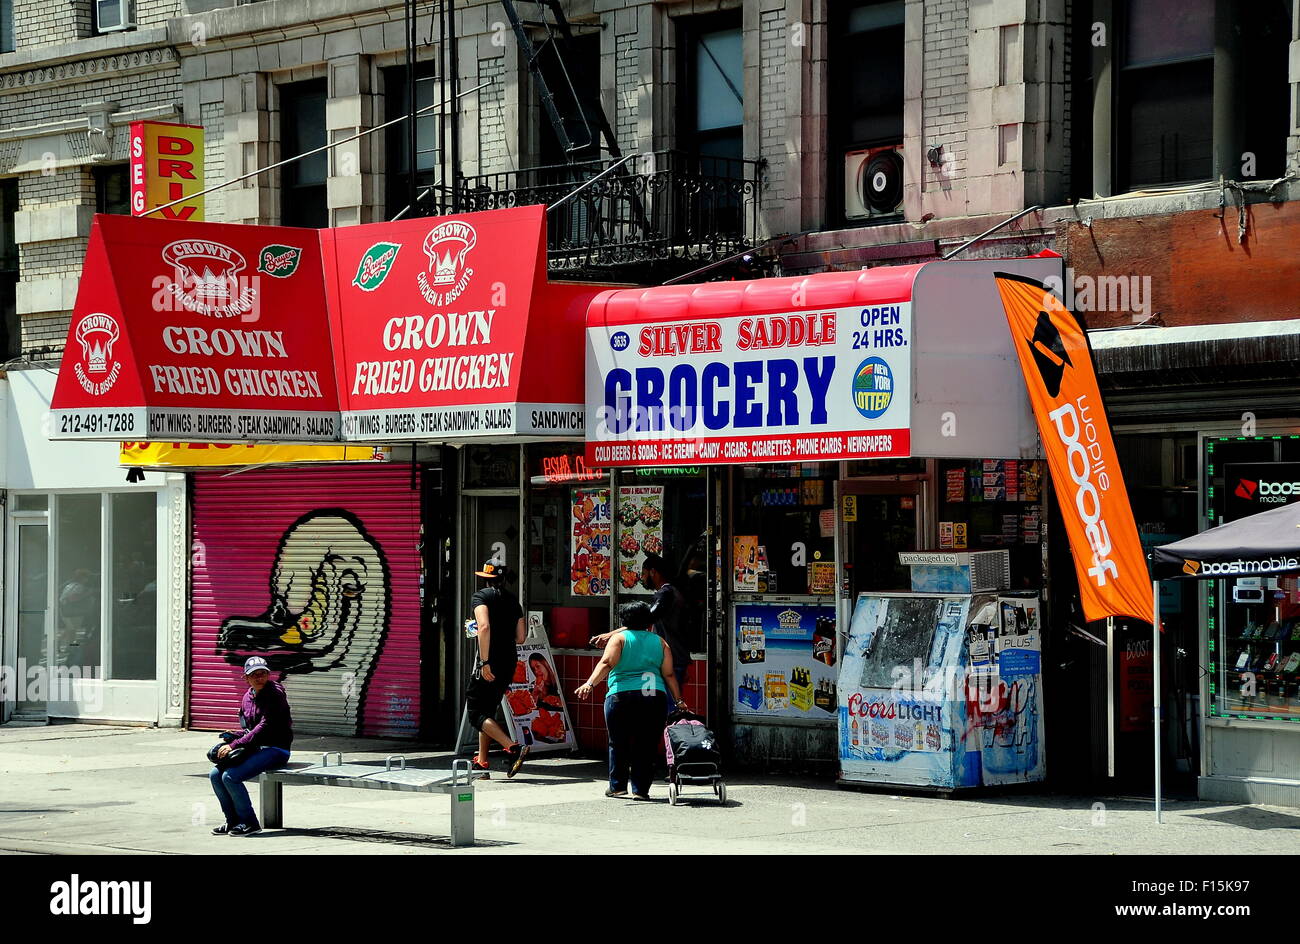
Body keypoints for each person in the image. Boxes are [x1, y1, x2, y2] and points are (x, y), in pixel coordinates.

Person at [576, 602, 687, 800]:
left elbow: (607, 663)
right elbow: (669, 674)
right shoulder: (660, 642)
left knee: (618, 742)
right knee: (647, 744)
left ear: (624, 621)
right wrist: (679, 701)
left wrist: (589, 684)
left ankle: (617, 786)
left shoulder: (619, 638)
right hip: (653, 698)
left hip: (621, 696)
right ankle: (641, 790)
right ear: (649, 621)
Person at [209, 656, 292, 837]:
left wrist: (235, 745)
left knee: (231, 777)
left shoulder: (275, 694)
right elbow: (250, 730)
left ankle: (249, 823)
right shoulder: (247, 697)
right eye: (253, 674)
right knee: (215, 775)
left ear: (268, 675)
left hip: (276, 749)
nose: (258, 677)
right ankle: (233, 821)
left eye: (262, 673)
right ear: (245, 678)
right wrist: (233, 736)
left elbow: (265, 726)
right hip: (256, 747)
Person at [594, 554, 691, 697]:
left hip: (672, 657)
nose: (642, 578)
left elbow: (644, 620)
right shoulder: (672, 592)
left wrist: (611, 635)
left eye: (644, 574)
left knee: (668, 707)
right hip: (676, 657)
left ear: (653, 572)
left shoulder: (666, 593)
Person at [467, 560, 529, 778]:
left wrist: (485, 662)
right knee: (488, 710)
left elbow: (483, 626)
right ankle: (482, 762)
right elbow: (521, 638)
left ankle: (513, 748)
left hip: (490, 661)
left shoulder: (481, 597)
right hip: (509, 660)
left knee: (475, 713)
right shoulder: (514, 601)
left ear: (485, 577)